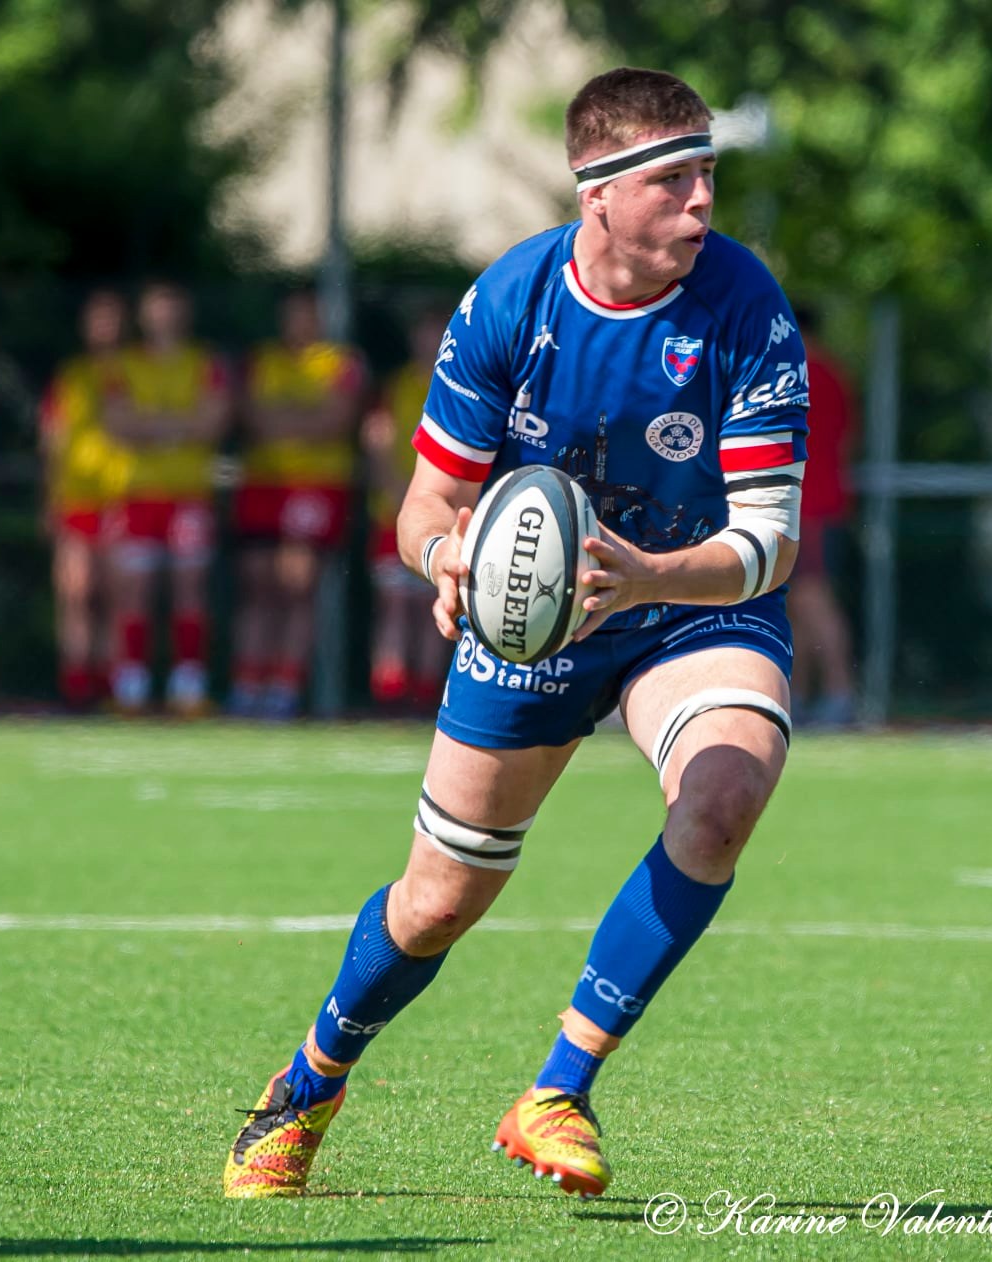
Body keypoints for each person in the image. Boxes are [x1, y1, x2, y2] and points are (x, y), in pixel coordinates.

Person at [224, 67, 809, 1201]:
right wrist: (452, 562)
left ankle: (560, 1086)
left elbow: (769, 540)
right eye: (672, 180)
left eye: (706, 177)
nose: (701, 205)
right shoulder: (510, 301)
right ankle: (305, 1085)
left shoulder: (743, 302)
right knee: (439, 899)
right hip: (536, 619)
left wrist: (643, 575)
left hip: (687, 593)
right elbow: (422, 511)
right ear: (595, 193)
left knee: (726, 793)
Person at [230, 289, 366, 719]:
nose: (299, 324)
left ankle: (285, 688)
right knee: (257, 585)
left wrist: (284, 419)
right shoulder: (260, 361)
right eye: (292, 316)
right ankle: (247, 684)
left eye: (307, 316)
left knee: (298, 584)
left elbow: (336, 419)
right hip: (264, 482)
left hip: (315, 485)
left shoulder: (342, 363)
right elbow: (251, 415)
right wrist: (302, 418)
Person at [100, 281, 230, 717]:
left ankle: (187, 684)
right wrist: (178, 427)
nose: (165, 317)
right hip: (137, 495)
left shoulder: (204, 363)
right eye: (157, 308)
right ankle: (132, 685)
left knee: (188, 588)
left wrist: (150, 427)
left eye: (173, 308)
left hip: (189, 494)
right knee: (134, 590)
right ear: (144, 315)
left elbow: (213, 421)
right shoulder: (124, 364)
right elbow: (116, 422)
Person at [42, 289, 127, 711]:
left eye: (111, 319)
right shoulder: (70, 376)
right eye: (97, 319)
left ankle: (111, 683)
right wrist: (50, 496)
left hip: (121, 497)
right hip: (75, 497)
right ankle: (76, 684)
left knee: (113, 593)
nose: (103, 329)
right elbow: (52, 439)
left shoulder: (135, 371)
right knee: (75, 591)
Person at [362, 310, 448, 714]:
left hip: (444, 517)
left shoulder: (459, 382)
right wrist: (402, 496)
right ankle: (390, 694)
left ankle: (425, 696)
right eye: (424, 331)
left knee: (435, 604)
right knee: (395, 605)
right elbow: (376, 440)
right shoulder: (395, 386)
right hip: (392, 515)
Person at [785, 304, 857, 726]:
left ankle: (839, 692)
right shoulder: (832, 374)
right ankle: (799, 695)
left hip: (809, 505)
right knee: (796, 603)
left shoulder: (805, 375)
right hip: (815, 503)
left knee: (813, 600)